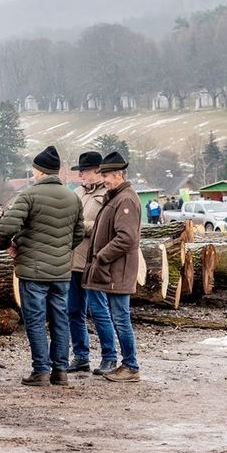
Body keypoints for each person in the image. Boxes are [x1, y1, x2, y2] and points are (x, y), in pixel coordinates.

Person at [0, 145, 83, 387]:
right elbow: (78, 234)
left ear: (41, 172)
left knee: (35, 320)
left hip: (33, 270)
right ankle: (61, 371)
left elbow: (6, 227)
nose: (33, 174)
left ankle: (41, 371)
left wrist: (8, 245)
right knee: (60, 320)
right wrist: (62, 251)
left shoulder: (29, 196)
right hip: (61, 272)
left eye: (34, 170)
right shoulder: (73, 197)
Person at [83, 151, 142, 382]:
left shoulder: (125, 199)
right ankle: (127, 364)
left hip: (119, 270)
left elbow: (126, 238)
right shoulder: (117, 196)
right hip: (115, 269)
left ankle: (131, 366)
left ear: (118, 175)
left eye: (106, 175)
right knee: (119, 317)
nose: (103, 179)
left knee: (121, 318)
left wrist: (102, 256)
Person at [63, 151, 106, 374]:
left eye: (85, 170)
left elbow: (103, 225)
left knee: (99, 311)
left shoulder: (108, 194)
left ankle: (108, 356)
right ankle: (81, 356)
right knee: (73, 311)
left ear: (97, 171)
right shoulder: (77, 193)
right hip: (73, 262)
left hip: (94, 261)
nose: (80, 174)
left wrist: (80, 226)